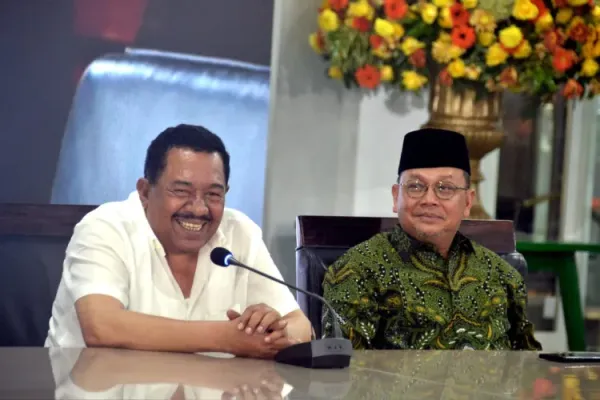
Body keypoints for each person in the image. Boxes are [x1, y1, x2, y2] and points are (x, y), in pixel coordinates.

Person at [45, 124, 311, 358]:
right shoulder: (104, 227)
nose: (198, 208)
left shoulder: (239, 232)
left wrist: (275, 333)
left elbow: (301, 326)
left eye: (213, 195)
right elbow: (102, 326)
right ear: (145, 191)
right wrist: (226, 338)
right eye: (181, 191)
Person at [322, 128, 542, 351]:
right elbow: (344, 367)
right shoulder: (356, 271)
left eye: (445, 188)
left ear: (468, 202)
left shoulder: (503, 276)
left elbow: (526, 362)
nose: (429, 200)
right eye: (415, 187)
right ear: (396, 197)